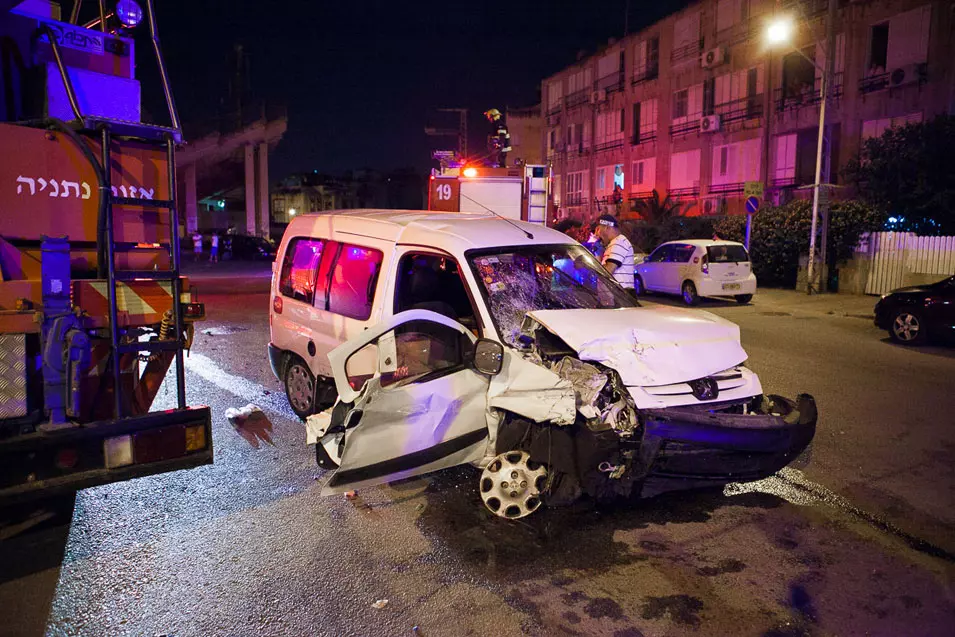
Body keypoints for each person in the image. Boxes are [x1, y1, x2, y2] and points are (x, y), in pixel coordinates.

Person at [594, 214, 635, 294]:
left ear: (607, 227)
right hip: (617, 295)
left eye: (598, 229)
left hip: (621, 296)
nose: (597, 234)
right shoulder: (614, 244)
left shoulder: (619, 243)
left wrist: (598, 255)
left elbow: (608, 271)